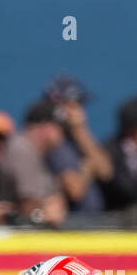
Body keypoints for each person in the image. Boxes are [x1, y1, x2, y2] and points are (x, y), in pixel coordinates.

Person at [42, 74, 112, 215]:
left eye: (80, 104)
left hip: (92, 225)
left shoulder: (77, 136)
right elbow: (75, 191)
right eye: (72, 104)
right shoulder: (54, 143)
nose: (78, 110)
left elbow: (106, 172)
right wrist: (88, 169)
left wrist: (80, 129)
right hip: (71, 227)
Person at [0, 99, 69, 226]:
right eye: (60, 128)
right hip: (20, 235)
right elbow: (29, 206)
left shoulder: (40, 154)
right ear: (45, 127)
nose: (64, 133)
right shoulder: (22, 149)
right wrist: (46, 213)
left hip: (28, 232)